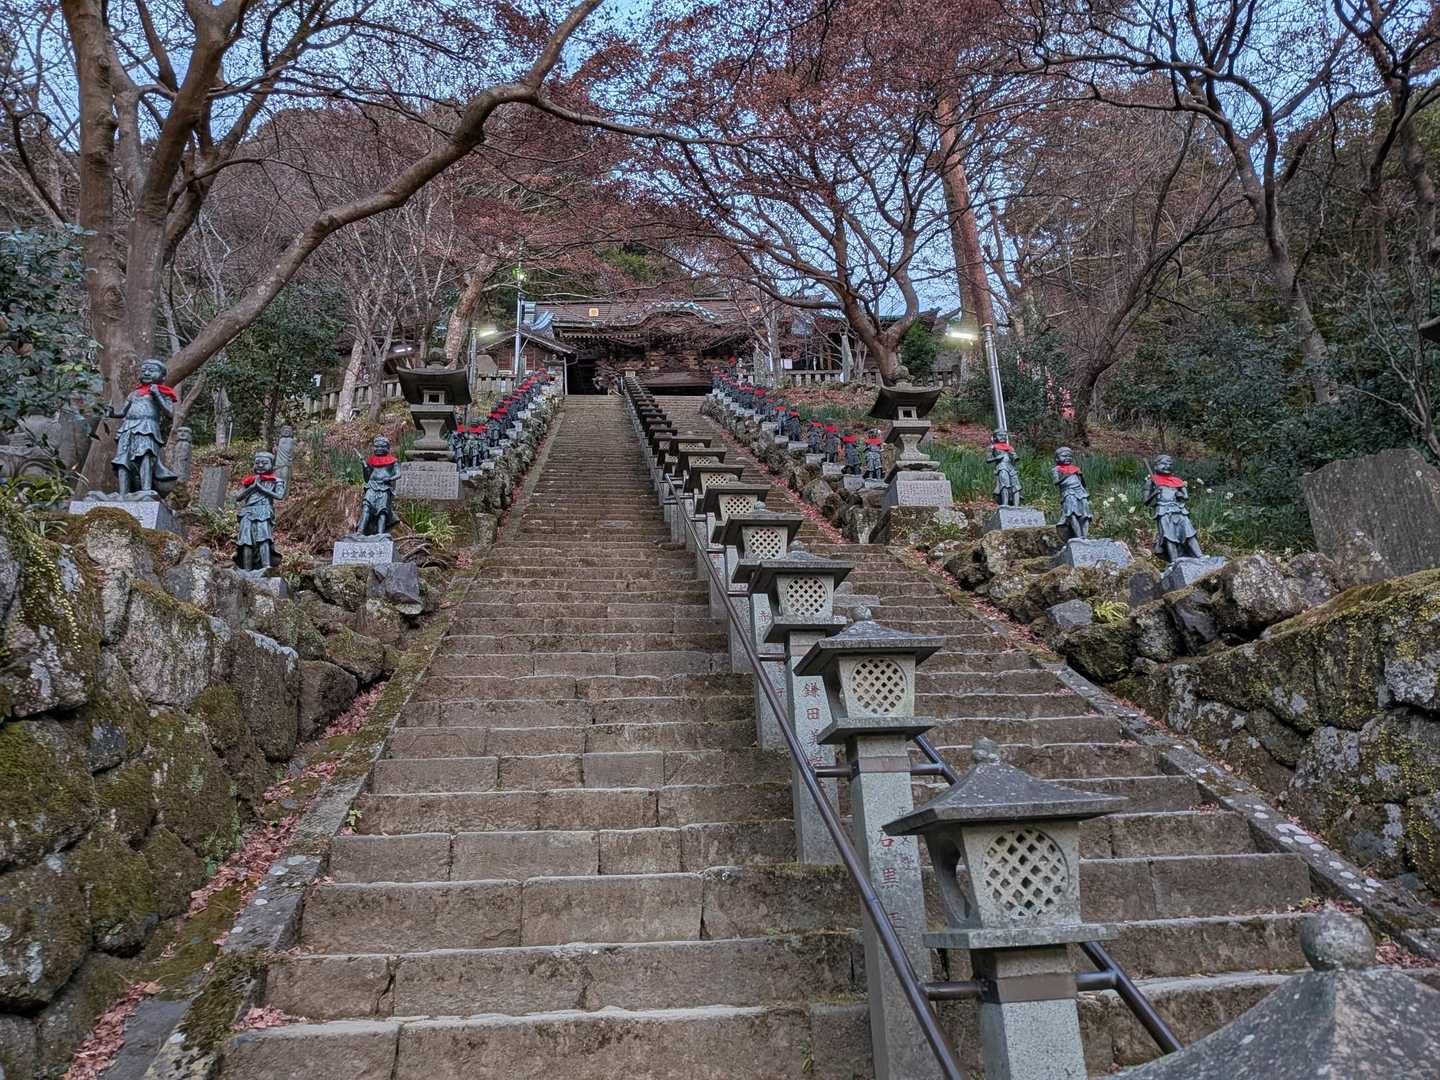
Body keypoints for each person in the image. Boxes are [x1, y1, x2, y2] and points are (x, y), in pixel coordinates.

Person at [111, 358, 178, 495]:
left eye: (151, 371)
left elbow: (170, 413)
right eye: (144, 370)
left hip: (147, 427)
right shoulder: (134, 394)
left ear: (162, 376)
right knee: (122, 459)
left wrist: (157, 394)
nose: (146, 373)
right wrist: (112, 413)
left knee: (145, 455)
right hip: (128, 427)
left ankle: (146, 490)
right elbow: (123, 412)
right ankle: (123, 493)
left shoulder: (164, 392)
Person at [1144, 455, 1204, 561]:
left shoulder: (1177, 481)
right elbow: (1146, 501)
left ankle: (1199, 555)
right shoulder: (1152, 482)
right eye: (1164, 463)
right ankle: (1174, 560)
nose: (1167, 466)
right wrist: (1154, 493)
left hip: (1179, 509)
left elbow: (1185, 496)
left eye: (1170, 464)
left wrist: (1180, 495)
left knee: (1189, 532)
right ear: (1156, 466)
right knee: (1168, 535)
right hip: (1163, 510)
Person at [234, 451, 285, 569]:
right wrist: (252, 487)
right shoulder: (249, 481)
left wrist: (261, 488)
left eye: (264, 463)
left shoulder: (276, 481)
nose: (260, 465)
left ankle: (266, 566)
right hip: (247, 512)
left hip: (264, 510)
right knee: (246, 540)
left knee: (264, 538)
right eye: (257, 463)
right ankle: (247, 569)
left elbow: (279, 496)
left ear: (272, 465)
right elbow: (238, 497)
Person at [353, 436, 399, 537]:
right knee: (366, 507)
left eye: (382, 446)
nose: (379, 449)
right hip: (372, 485)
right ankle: (360, 531)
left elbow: (398, 474)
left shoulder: (393, 461)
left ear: (387, 448)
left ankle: (380, 533)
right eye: (376, 446)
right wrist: (365, 466)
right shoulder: (372, 460)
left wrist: (390, 478)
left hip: (385, 487)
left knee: (382, 510)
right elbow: (367, 478)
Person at [1052, 446, 1092, 540]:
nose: (1067, 458)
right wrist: (1067, 474)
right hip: (1068, 492)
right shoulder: (1056, 469)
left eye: (1070, 456)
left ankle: (1085, 537)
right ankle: (1079, 537)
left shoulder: (1076, 469)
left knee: (1085, 515)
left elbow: (1083, 483)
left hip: (1081, 493)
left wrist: (1080, 476)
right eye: (1064, 456)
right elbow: (1056, 482)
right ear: (1057, 458)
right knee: (1072, 514)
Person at [988, 430, 1021, 507]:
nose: (1002, 437)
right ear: (995, 437)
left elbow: (1014, 459)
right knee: (1004, 484)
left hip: (1011, 467)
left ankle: (1016, 505)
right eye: (1000, 435)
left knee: (1016, 485)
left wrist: (1012, 455)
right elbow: (988, 459)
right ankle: (1005, 503)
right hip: (1001, 466)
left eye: (1004, 435)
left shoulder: (1010, 447)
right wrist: (996, 458)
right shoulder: (992, 447)